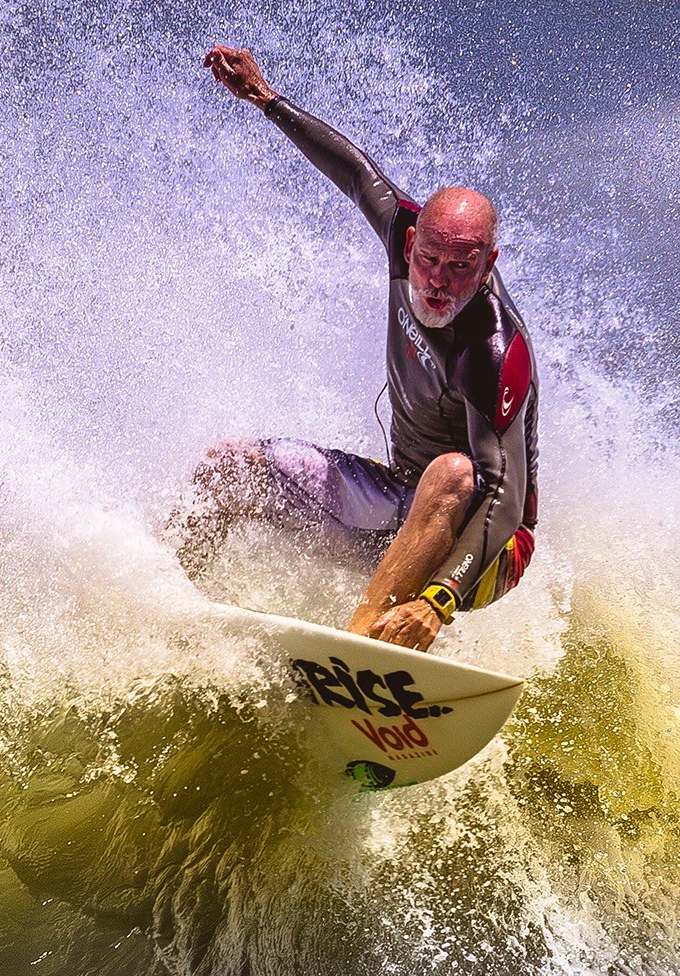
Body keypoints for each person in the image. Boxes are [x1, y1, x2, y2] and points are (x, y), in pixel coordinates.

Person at [185, 45, 537, 652]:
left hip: (483, 547)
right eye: (428, 259)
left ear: (489, 265)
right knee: (231, 467)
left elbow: (503, 500)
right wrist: (267, 100)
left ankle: (358, 657)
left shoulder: (494, 351)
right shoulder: (403, 231)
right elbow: (354, 172)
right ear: (408, 245)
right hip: (397, 505)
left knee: (454, 473)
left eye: (461, 266)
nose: (438, 279)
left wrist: (439, 598)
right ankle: (170, 607)